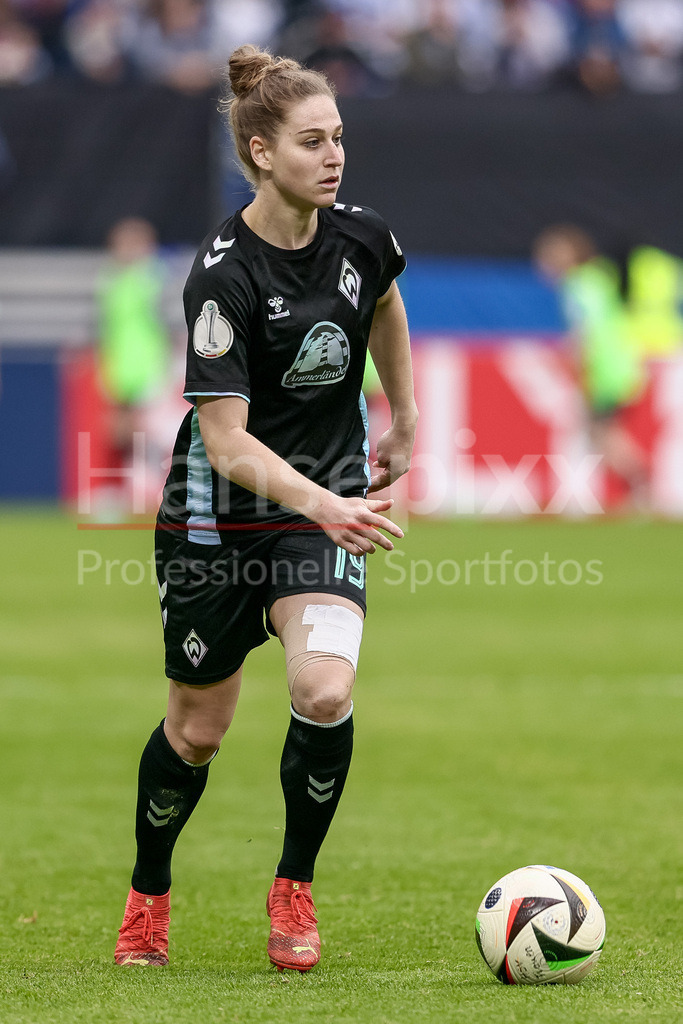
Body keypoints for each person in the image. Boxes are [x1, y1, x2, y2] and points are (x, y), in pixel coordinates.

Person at [114, 42, 417, 972]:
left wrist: (402, 414)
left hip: (316, 508)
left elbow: (383, 304)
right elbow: (227, 444)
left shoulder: (360, 235)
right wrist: (329, 503)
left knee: (323, 690)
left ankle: (294, 889)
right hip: (217, 519)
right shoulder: (221, 276)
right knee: (198, 731)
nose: (334, 157)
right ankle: (149, 893)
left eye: (339, 139)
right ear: (259, 152)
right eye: (312, 142)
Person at [533, 223, 649, 510]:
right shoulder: (597, 278)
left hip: (606, 370)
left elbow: (586, 335)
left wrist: (582, 372)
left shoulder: (576, 287)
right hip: (623, 363)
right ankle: (636, 488)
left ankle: (639, 483)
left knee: (601, 432)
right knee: (603, 431)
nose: (545, 263)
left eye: (551, 255)